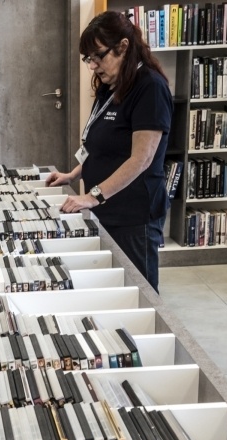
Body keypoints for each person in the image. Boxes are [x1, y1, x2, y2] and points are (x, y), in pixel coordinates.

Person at [46, 11, 173, 292]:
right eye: (88, 59)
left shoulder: (150, 88)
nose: (92, 66)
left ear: (123, 47)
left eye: (97, 57)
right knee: (112, 289)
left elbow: (141, 159)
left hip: (133, 216)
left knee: (138, 293)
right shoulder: (111, 85)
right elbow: (101, 148)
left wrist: (93, 196)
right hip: (106, 210)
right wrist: (72, 175)